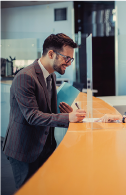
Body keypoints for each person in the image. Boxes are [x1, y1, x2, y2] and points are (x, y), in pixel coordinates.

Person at [2, 33, 86, 189]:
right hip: (24, 149)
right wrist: (67, 118)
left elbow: (47, 110)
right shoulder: (25, 77)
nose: (69, 63)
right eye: (66, 58)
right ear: (51, 54)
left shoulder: (51, 75)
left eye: (71, 59)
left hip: (44, 147)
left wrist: (65, 113)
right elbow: (32, 116)